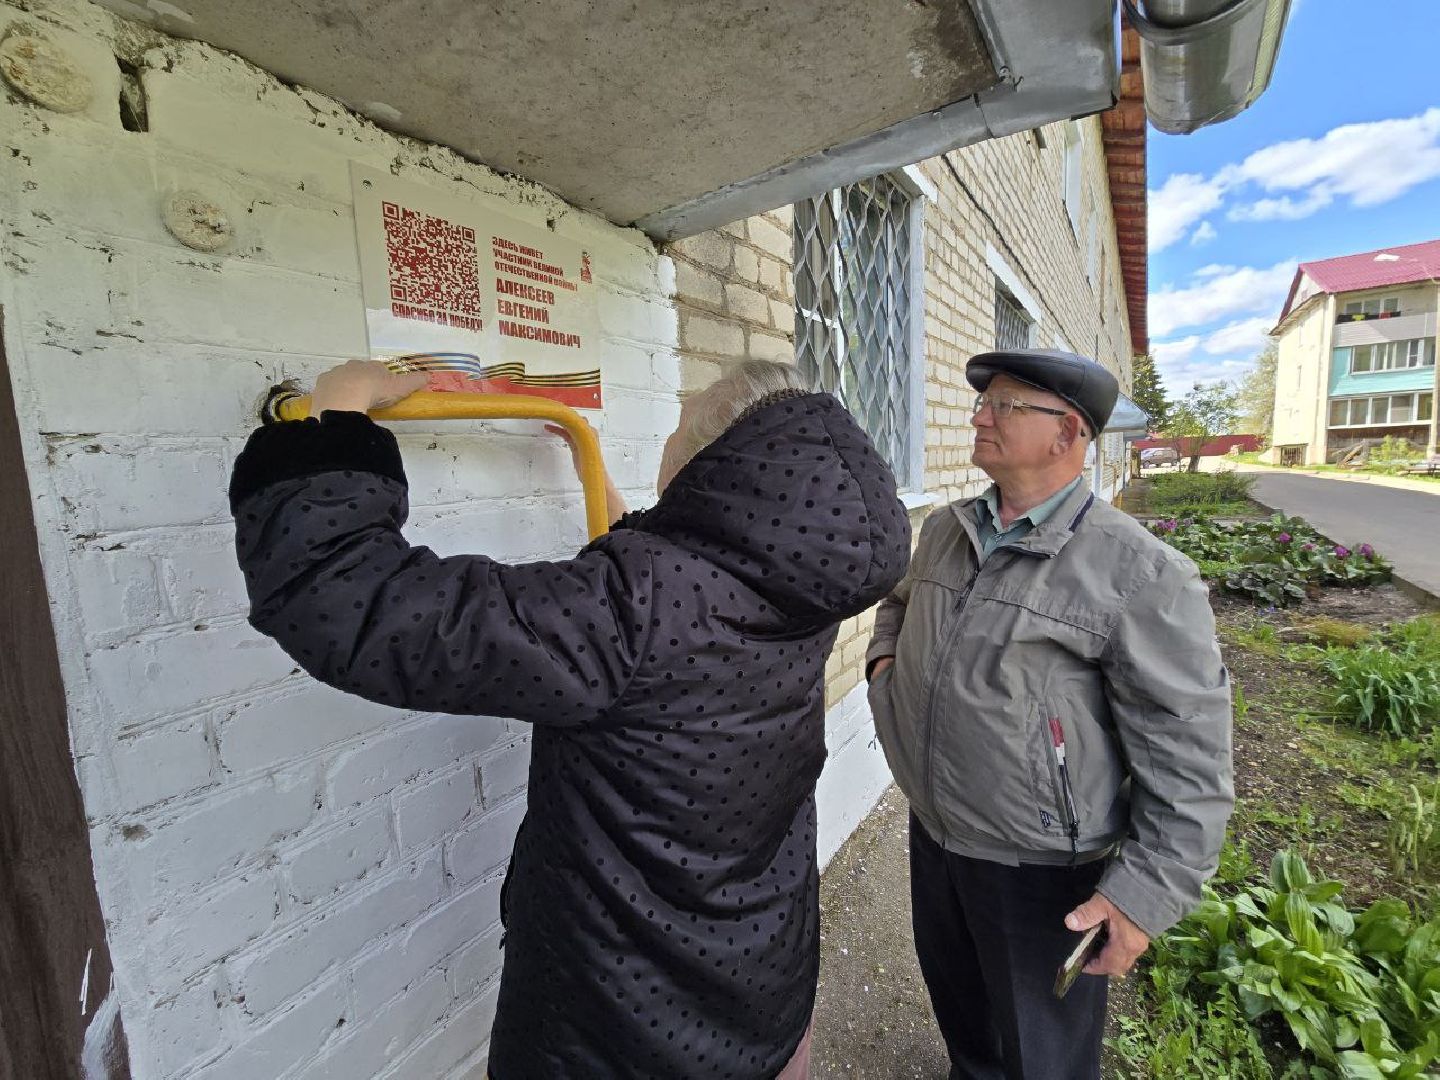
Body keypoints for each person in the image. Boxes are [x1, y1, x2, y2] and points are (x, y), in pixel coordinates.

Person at [228, 357, 910, 1078]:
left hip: (623, 1033)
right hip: (763, 990)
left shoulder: (636, 610)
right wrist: (596, 479)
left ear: (720, 465)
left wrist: (342, 407)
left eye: (680, 425)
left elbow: (352, 599)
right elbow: (679, 598)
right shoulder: (799, 587)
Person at [864, 349, 1233, 1080]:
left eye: (1002, 405)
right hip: (935, 834)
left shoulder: (1141, 573)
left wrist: (1140, 898)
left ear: (1067, 432)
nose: (978, 417)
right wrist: (884, 671)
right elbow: (898, 604)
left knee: (1043, 1057)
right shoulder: (945, 529)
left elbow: (1188, 756)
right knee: (964, 1020)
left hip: (1039, 873)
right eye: (984, 404)